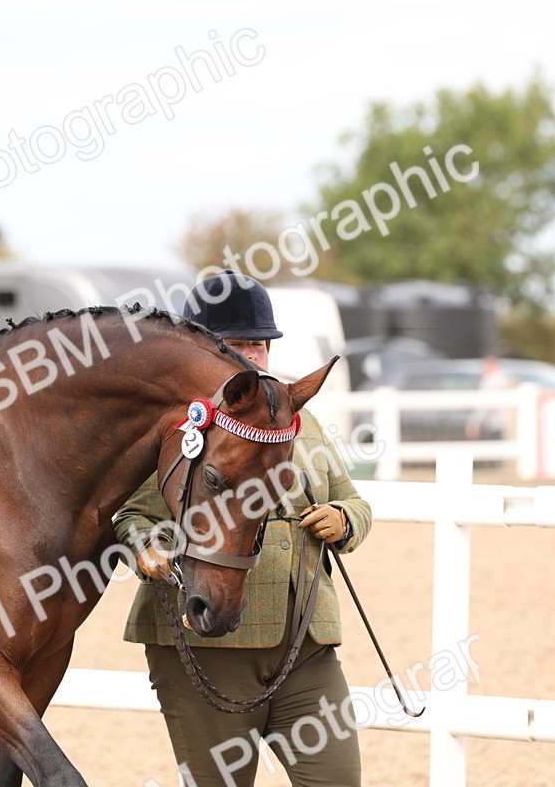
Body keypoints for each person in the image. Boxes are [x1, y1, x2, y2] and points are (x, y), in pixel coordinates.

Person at [113, 271, 371, 787]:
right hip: (207, 650)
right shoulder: (179, 427)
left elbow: (353, 500)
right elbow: (131, 516)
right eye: (236, 345)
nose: (251, 356)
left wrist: (344, 522)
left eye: (259, 344)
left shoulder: (298, 418)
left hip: (305, 646)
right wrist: (149, 546)